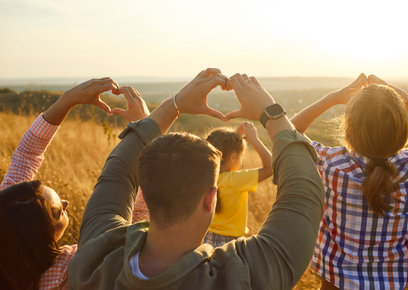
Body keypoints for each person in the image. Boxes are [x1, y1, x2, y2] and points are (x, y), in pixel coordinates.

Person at [67, 69, 325, 289]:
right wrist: (272, 113)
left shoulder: (96, 257)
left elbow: (116, 174)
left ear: (144, 187)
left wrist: (174, 105)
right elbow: (303, 194)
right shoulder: (240, 277)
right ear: (210, 199)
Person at [290, 74, 408, 289]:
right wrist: (399, 95)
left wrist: (334, 97)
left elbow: (290, 132)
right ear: (403, 132)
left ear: (347, 132)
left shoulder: (332, 165)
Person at [0, 79, 150, 290]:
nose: (66, 202)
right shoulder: (73, 268)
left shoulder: (7, 217)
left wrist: (67, 101)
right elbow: (135, 226)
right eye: (57, 213)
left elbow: (26, 156)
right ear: (38, 239)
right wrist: (145, 131)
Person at [203, 121, 272, 247]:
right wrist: (254, 140)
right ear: (233, 157)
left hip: (204, 238)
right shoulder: (235, 180)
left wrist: (234, 136)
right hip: (230, 243)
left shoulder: (203, 176)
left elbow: (220, 151)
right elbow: (270, 167)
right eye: (241, 156)